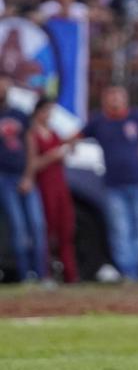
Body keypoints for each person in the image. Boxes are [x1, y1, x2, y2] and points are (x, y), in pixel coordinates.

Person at [80, 86, 138, 281]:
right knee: (120, 229)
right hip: (113, 185)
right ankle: (127, 270)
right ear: (104, 101)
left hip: (137, 182)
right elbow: (76, 136)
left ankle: (134, 270)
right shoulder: (98, 121)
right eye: (111, 97)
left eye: (118, 97)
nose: (115, 101)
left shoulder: (137, 117)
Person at [0, 75, 49, 282]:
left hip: (24, 175)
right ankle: (25, 276)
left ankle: (42, 275)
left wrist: (29, 175)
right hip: (3, 178)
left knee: (37, 225)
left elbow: (31, 146)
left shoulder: (19, 115)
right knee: (18, 227)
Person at [28, 97, 77, 283]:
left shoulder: (55, 132)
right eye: (46, 111)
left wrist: (69, 148)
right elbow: (33, 164)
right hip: (44, 186)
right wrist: (52, 156)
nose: (49, 115)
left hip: (59, 185)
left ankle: (70, 274)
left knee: (66, 228)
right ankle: (45, 273)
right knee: (47, 230)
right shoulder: (32, 134)